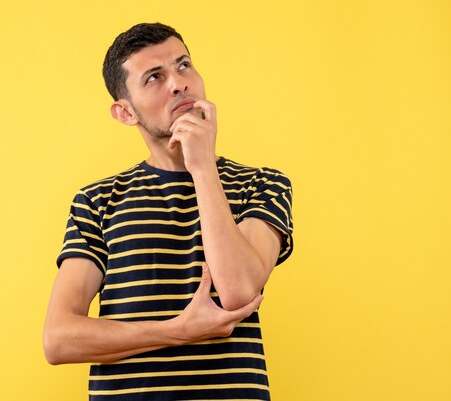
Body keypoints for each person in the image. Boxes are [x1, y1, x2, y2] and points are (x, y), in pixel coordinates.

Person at [43, 22, 294, 400]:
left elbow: (240, 293)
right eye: (154, 78)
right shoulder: (97, 201)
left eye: (184, 65)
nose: (178, 84)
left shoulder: (261, 184)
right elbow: (59, 340)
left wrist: (203, 168)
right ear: (125, 112)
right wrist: (179, 329)